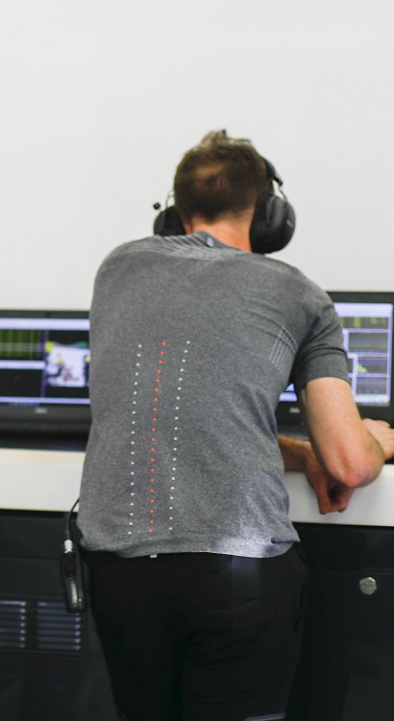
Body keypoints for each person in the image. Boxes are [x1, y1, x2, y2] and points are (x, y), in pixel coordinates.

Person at [77, 129, 394, 721]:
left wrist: (298, 451)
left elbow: (185, 415)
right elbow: (351, 463)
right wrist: (373, 441)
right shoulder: (298, 292)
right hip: (237, 574)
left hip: (120, 574)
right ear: (270, 215)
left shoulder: (118, 268)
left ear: (174, 216)